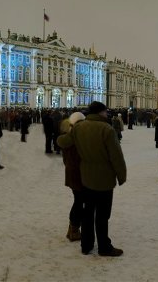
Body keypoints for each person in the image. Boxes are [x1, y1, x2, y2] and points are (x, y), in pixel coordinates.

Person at [57, 102, 127, 257]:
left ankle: (86, 245)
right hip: (104, 179)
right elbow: (116, 157)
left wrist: (68, 131)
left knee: (88, 213)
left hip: (86, 177)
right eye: (105, 112)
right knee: (102, 215)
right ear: (101, 112)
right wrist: (122, 176)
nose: (107, 114)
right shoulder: (107, 129)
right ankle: (104, 247)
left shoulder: (79, 128)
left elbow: (62, 142)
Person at [62, 111, 86, 242]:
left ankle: (72, 228)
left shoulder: (68, 136)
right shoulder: (76, 137)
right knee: (79, 202)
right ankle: (74, 229)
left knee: (78, 201)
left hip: (71, 173)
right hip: (79, 174)